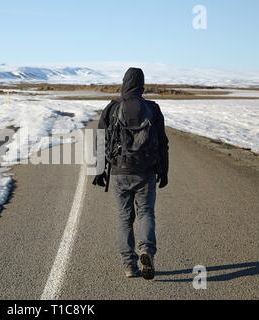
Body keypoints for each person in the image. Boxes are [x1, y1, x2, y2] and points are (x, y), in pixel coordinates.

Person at [93, 67, 169, 280]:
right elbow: (163, 143)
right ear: (142, 86)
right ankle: (146, 250)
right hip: (146, 172)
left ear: (124, 84)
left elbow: (100, 140)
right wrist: (164, 170)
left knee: (125, 217)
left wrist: (99, 171)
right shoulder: (152, 109)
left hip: (119, 171)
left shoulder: (111, 109)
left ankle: (129, 265)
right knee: (146, 212)